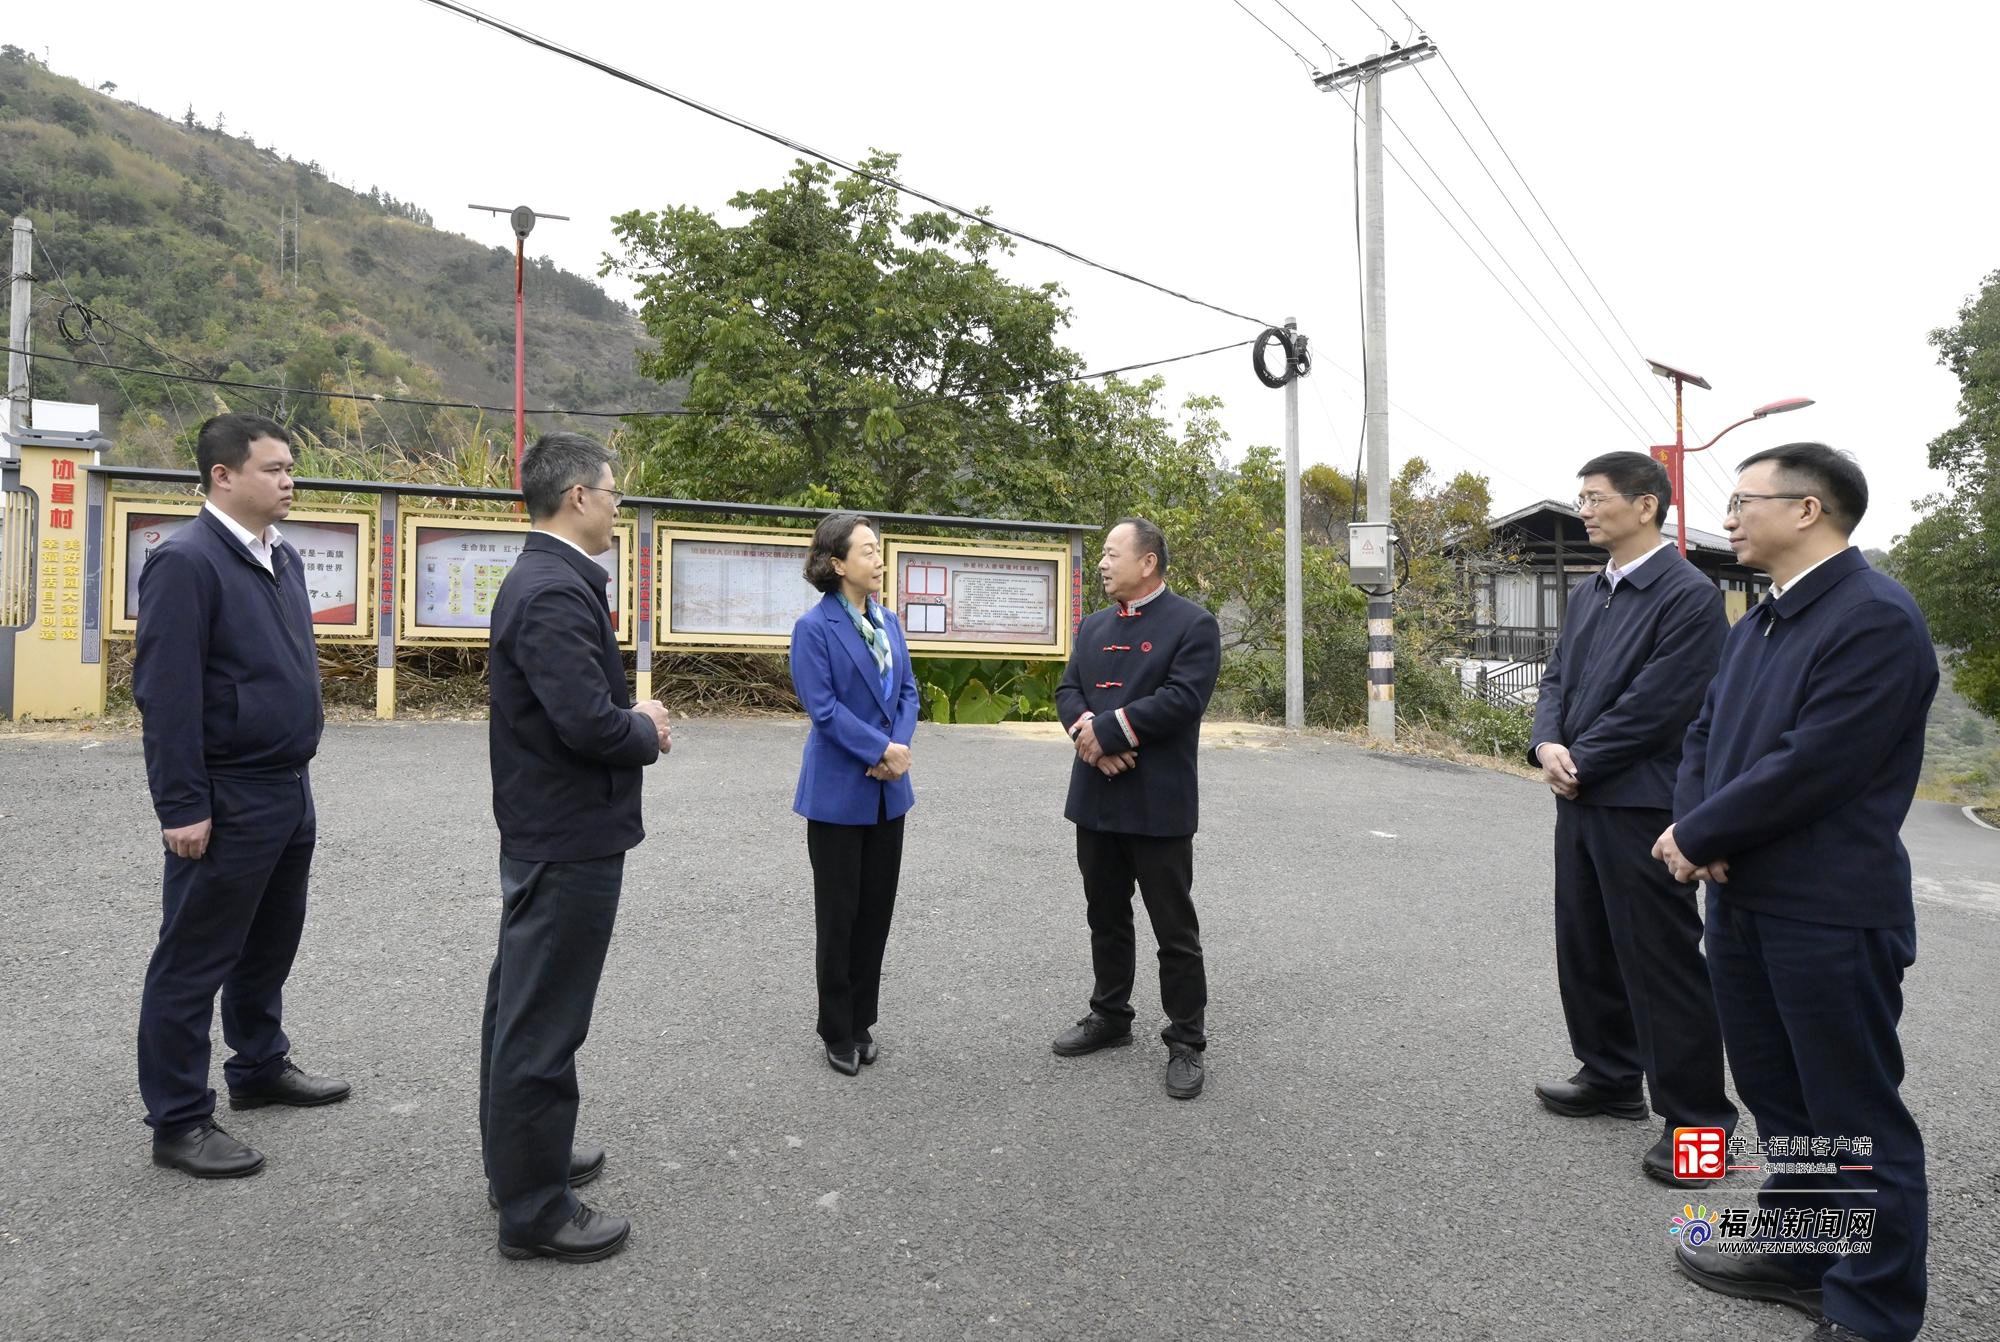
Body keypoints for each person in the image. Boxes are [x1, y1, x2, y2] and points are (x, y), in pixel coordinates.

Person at [1656, 444, 1936, 1342]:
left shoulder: (1875, 619)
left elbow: (1815, 764)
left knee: (1851, 1114)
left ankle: (1870, 1311)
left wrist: (1703, 836)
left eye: (1744, 501)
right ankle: (1804, 1247)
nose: (1728, 517)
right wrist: (1702, 828)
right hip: (1743, 902)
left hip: (1828, 910)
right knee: (1782, 1099)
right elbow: (1703, 734)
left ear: (1808, 510)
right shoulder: (1761, 622)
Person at [132, 413, 349, 1180]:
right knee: (194, 957)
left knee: (267, 945)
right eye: (274, 468)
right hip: (227, 794)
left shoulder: (280, 557)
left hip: (288, 786)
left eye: (292, 468)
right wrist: (182, 805)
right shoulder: (186, 562)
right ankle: (181, 1120)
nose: (289, 481)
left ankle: (258, 1066)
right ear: (223, 476)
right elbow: (166, 693)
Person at [480, 432, 674, 1264]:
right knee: (543, 1020)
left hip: (550, 828)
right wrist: (647, 727)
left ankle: (524, 1164)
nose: (617, 504)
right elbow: (588, 722)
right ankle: (533, 1209)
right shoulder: (553, 589)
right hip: (566, 835)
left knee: (521, 1005)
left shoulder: (549, 579)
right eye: (611, 490)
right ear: (576, 499)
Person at [1527, 452, 1736, 1184]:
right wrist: (1546, 743)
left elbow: (1663, 703)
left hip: (1643, 801)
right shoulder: (1591, 593)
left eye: (1596, 498)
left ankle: (1700, 1132)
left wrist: (1580, 759)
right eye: (1581, 497)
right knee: (1585, 944)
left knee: (1663, 964)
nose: (1584, 509)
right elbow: (1556, 679)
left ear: (1645, 505)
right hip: (1581, 795)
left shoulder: (1687, 594)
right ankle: (1611, 1076)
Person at [1051, 517, 1221, 1100]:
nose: (1101, 563)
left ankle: (1187, 1040)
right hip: (1097, 795)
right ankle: (1111, 1016)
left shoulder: (1193, 624)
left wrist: (1108, 733)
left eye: (1110, 553)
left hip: (1158, 802)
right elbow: (1068, 690)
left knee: (1173, 926)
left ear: (1146, 562)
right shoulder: (1094, 626)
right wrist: (1090, 741)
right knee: (1105, 913)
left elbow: (1182, 700)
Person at [788, 513, 920, 1075]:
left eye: (878, 548)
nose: (878, 558)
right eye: (867, 550)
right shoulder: (814, 628)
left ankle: (863, 1019)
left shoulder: (889, 621)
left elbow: (908, 691)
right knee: (839, 915)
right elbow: (823, 709)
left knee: (876, 913)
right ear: (837, 564)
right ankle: (835, 1029)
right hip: (841, 793)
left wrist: (898, 749)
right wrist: (878, 751)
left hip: (889, 792)